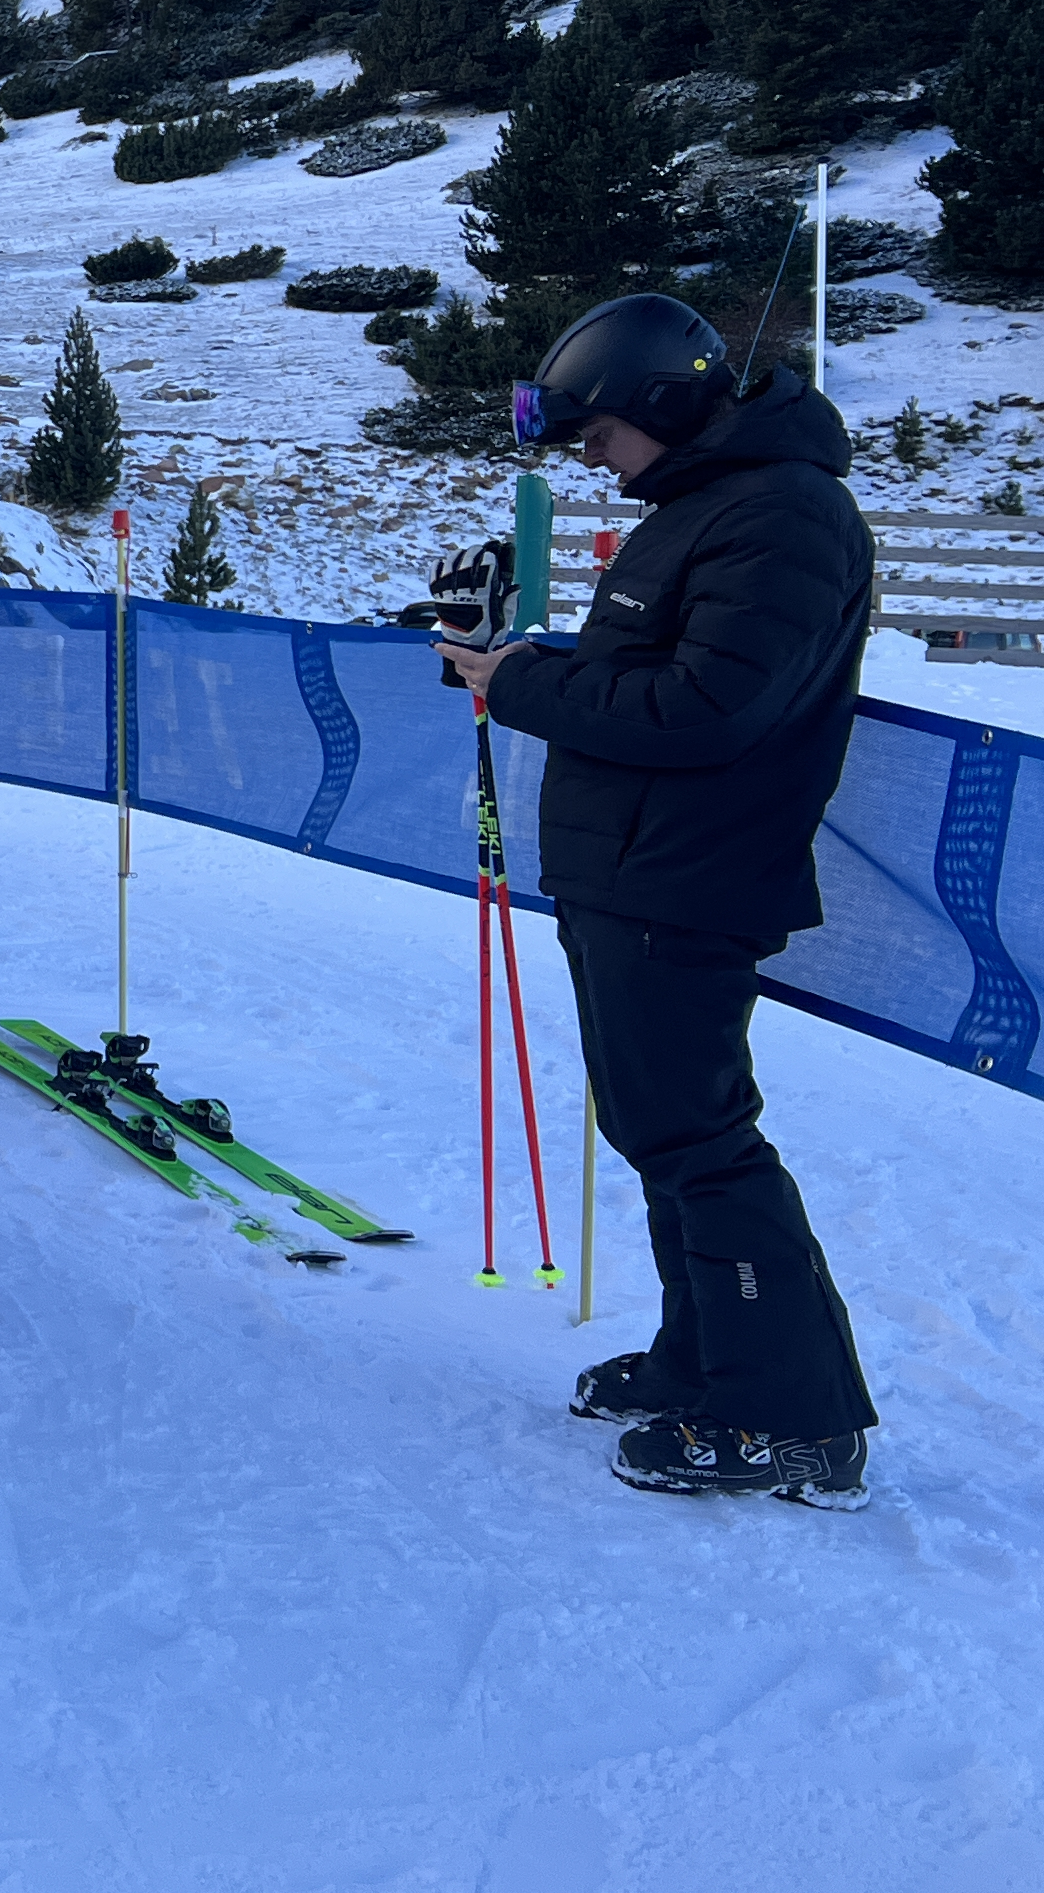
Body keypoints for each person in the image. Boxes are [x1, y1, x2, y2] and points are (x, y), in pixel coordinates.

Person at [448, 293, 878, 1508]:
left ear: (670, 406)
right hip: (629, 870)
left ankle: (793, 1420)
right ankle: (708, 1361)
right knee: (659, 1137)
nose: (589, 455)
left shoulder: (785, 517)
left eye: (599, 431)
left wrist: (524, 688)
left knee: (701, 1144)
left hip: (685, 878)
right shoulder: (704, 510)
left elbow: (706, 712)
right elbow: (650, 675)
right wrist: (522, 663)